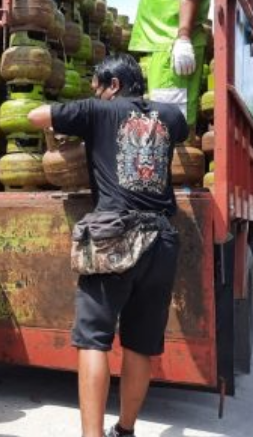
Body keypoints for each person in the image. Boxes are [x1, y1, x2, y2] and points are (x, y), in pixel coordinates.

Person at [28, 54, 188, 437]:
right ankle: (125, 430)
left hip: (114, 236)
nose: (95, 94)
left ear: (113, 85)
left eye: (98, 86)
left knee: (94, 341)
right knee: (139, 345)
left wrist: (89, 114)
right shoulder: (171, 116)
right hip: (161, 240)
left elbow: (37, 115)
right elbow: (181, 133)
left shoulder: (98, 111)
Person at [128, 0, 211, 134]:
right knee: (160, 124)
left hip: (173, 49)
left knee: (170, 127)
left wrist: (183, 37)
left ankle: (174, 164)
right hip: (163, 48)